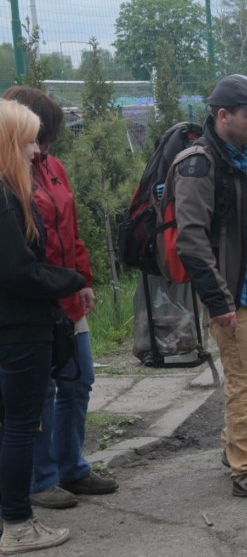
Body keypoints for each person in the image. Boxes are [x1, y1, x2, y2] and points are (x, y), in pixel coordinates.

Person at [171, 74, 247, 500]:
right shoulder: (198, 164)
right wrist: (217, 300)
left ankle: (235, 445)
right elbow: (190, 239)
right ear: (223, 116)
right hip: (231, 294)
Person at [2, 86, 118, 510]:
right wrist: (60, 281)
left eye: (45, 138)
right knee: (41, 394)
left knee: (79, 380)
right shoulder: (10, 180)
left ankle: (73, 467)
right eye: (39, 137)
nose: (44, 147)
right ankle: (42, 478)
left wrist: (82, 280)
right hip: (37, 299)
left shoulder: (54, 169)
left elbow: (70, 230)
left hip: (66, 292)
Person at [0, 99, 85, 552]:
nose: (37, 151)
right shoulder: (5, 197)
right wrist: (69, 280)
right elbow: (18, 272)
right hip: (19, 331)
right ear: (11, 142)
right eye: (31, 140)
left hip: (15, 328)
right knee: (20, 426)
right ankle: (17, 523)